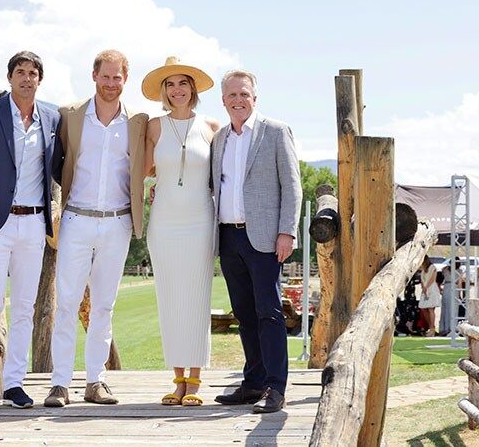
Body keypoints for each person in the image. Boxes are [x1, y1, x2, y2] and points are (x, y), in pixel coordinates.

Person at [44, 50, 148, 407]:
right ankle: (59, 384)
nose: (111, 83)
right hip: (76, 219)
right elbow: (56, 163)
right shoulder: (69, 115)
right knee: (66, 304)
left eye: (117, 77)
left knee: (104, 306)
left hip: (117, 223)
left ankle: (95, 382)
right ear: (93, 75)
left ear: (125, 80)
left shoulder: (138, 121)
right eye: (105, 76)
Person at [0, 51, 60, 413]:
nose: (27, 78)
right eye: (21, 72)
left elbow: (60, 165)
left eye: (33, 72)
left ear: (39, 79)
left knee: (24, 307)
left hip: (33, 225)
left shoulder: (51, 118)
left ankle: (16, 383)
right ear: (9, 77)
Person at [212, 69, 302, 413]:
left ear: (255, 97)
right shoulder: (220, 138)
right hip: (229, 236)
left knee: (270, 313)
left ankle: (276, 388)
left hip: (264, 238)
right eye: (232, 95)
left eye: (244, 94)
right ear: (223, 100)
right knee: (245, 315)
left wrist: (287, 231)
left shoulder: (276, 132)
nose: (238, 101)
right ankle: (253, 382)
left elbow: (292, 186)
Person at [141, 56, 219, 406]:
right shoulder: (154, 127)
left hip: (200, 219)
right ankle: (177, 380)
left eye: (182, 84)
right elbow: (142, 170)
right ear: (164, 91)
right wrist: (151, 188)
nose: (177, 90)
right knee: (170, 297)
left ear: (193, 88)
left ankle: (196, 379)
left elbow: (221, 177)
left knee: (197, 296)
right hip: (165, 221)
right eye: (170, 85)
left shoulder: (211, 127)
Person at [419, 255, 441, 337]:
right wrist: (423, 287)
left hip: (431, 289)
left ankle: (432, 329)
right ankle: (431, 327)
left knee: (431, 308)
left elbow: (432, 279)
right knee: (424, 308)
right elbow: (422, 279)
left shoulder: (432, 267)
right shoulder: (423, 269)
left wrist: (426, 287)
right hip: (425, 289)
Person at [440, 257, 461, 336]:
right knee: (454, 309)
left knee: (445, 308)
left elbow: (443, 269)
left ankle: (445, 328)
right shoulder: (459, 271)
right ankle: (452, 327)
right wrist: (459, 295)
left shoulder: (445, 270)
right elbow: (459, 284)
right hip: (454, 288)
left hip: (447, 288)